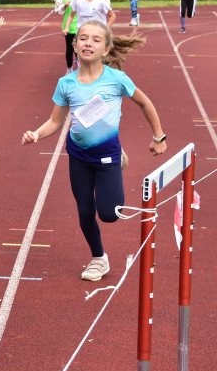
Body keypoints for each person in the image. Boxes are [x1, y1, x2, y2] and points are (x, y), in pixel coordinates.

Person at [22, 20, 166, 281]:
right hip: (78, 155)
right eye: (83, 38)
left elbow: (145, 103)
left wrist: (159, 136)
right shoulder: (66, 83)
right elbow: (55, 121)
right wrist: (36, 134)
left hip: (108, 155)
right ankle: (99, 258)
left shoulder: (116, 79)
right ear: (74, 47)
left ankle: (119, 158)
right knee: (85, 211)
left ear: (106, 50)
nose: (88, 42)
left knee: (109, 214)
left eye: (96, 40)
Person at [53, 0, 84, 72]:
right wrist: (64, 6)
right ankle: (69, 69)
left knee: (80, 49)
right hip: (69, 25)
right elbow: (57, 10)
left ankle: (81, 68)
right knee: (70, 49)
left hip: (83, 25)